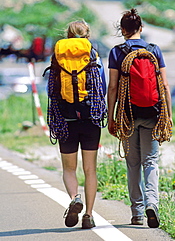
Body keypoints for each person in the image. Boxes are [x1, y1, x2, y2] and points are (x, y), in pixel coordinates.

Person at [107, 8, 173, 228]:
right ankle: (152, 202)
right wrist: (168, 116)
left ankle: (137, 214)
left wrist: (111, 116)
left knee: (133, 163)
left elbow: (114, 87)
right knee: (150, 161)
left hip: (128, 115)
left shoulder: (117, 52)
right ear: (141, 28)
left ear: (123, 30)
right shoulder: (154, 50)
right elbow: (164, 85)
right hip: (153, 113)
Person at [52, 20, 106, 229]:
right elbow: (100, 86)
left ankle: (75, 198)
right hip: (90, 119)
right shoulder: (93, 55)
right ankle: (89, 216)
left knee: (69, 168)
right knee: (90, 169)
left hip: (66, 119)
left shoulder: (58, 55)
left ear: (67, 35)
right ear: (87, 35)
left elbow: (52, 88)